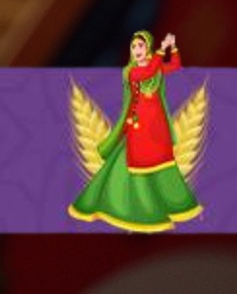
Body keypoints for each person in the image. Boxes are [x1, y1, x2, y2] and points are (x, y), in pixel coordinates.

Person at [70, 30, 204, 231]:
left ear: (147, 47)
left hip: (157, 124)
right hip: (139, 124)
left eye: (140, 45)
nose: (137, 50)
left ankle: (174, 203)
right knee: (140, 162)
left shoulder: (155, 67)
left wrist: (172, 48)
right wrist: (161, 51)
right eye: (133, 46)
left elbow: (173, 66)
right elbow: (146, 73)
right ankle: (140, 208)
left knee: (163, 160)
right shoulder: (131, 71)